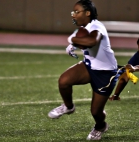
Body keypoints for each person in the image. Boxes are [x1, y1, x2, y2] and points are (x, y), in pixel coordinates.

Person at [48, 0, 120, 140]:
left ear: (87, 13)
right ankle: (68, 107)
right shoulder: (84, 27)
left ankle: (100, 126)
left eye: (77, 12)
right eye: (72, 12)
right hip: (89, 65)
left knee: (95, 112)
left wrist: (73, 40)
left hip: (105, 73)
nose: (73, 15)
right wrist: (74, 44)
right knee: (64, 81)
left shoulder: (97, 26)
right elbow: (82, 38)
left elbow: (91, 41)